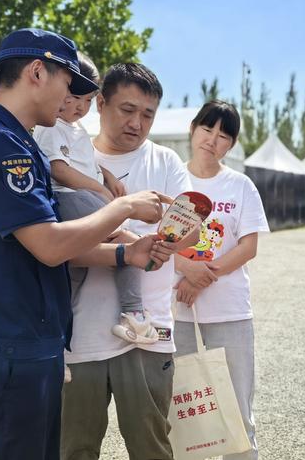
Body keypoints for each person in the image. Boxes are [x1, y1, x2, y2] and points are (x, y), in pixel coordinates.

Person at [0, 29, 175, 460]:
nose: (74, 102)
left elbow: (40, 246)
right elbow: (49, 246)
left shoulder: (18, 141)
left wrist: (125, 253)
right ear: (36, 71)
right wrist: (121, 208)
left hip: (25, 346)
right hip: (8, 350)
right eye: (68, 85)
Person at [61, 63, 194, 460]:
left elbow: (192, 230)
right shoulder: (72, 156)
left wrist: (167, 239)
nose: (137, 123)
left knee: (151, 445)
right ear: (100, 103)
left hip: (147, 334)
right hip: (78, 338)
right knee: (73, 448)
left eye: (148, 114)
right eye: (127, 109)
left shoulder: (166, 161)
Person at [33, 53, 157, 349]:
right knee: (127, 241)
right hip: (72, 199)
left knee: (72, 277)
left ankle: (55, 342)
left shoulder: (75, 129)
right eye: (74, 97)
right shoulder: (49, 127)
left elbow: (82, 160)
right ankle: (133, 313)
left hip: (82, 197)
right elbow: (59, 170)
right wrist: (102, 192)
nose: (80, 107)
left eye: (87, 100)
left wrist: (107, 176)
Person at [174, 100, 270, 460]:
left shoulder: (240, 185)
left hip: (230, 313)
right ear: (193, 128)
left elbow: (248, 247)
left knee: (236, 410)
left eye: (223, 135)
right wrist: (185, 269)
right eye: (207, 129)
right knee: (185, 413)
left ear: (231, 145)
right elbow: (157, 241)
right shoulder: (173, 178)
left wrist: (199, 279)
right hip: (179, 314)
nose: (212, 140)